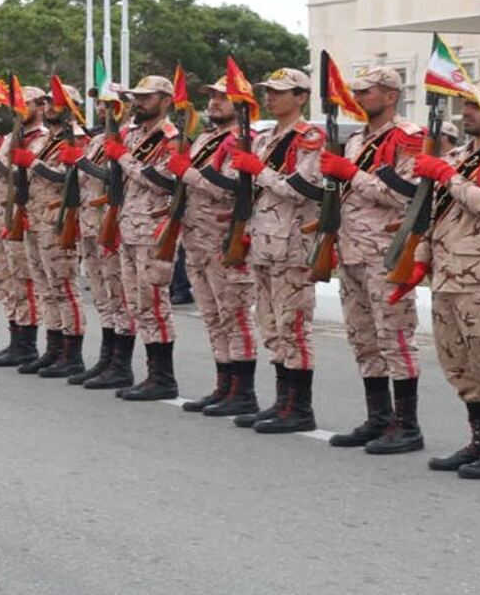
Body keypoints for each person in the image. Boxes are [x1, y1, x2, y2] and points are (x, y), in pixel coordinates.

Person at [393, 78, 480, 478]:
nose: (467, 111)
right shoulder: (457, 155)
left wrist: (444, 174)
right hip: (448, 275)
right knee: (459, 363)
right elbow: (437, 216)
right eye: (466, 104)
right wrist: (420, 261)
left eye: (479, 105)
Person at [316, 67, 425, 454]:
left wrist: (351, 173)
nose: (358, 97)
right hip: (351, 250)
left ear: (391, 95)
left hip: (385, 253)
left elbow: (409, 195)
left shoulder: (409, 138)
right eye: (357, 91)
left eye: (367, 91)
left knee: (395, 338)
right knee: (363, 338)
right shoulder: (358, 138)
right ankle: (379, 418)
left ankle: (407, 425)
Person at [226, 68, 326, 434]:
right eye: (268, 91)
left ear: (301, 97)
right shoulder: (266, 136)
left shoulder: (310, 137)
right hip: (264, 243)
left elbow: (303, 187)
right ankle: (282, 401)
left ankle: (300, 407)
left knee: (294, 325)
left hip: (293, 245)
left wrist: (259, 171)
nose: (271, 97)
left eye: (280, 92)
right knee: (270, 323)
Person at [173, 77, 259, 416]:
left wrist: (187, 173)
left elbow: (232, 188)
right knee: (212, 316)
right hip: (196, 239)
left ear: (241, 104)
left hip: (226, 239)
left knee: (235, 316)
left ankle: (243, 392)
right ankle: (224, 386)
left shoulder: (242, 140)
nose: (214, 103)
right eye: (211, 97)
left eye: (222, 98)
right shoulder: (207, 139)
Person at [104, 76, 182, 400]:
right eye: (137, 97)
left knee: (155, 303)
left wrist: (122, 157)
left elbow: (163, 181)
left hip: (153, 230)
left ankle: (163, 378)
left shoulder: (171, 137)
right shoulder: (131, 134)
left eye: (147, 97)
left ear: (165, 100)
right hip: (128, 228)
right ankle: (150, 374)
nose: (139, 102)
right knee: (138, 304)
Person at [67, 95, 136, 389]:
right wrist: (76, 161)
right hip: (90, 223)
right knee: (102, 294)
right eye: (101, 105)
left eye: (110, 104)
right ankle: (106, 360)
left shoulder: (130, 137)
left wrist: (82, 161)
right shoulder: (97, 141)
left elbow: (115, 178)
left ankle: (121, 365)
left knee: (120, 296)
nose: (102, 109)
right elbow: (84, 180)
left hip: (115, 226)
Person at [24, 83, 89, 378]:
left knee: (64, 288)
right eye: (47, 103)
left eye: (56, 103)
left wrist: (34, 164)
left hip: (58, 222)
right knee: (45, 289)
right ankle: (53, 349)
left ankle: (71, 353)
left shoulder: (77, 140)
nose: (49, 107)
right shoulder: (42, 141)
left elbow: (70, 180)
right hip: (35, 219)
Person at [0, 85, 47, 369]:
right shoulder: (13, 137)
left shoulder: (40, 138)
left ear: (39, 106)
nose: (19, 109)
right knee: (4, 280)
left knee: (23, 280)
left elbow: (23, 177)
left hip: (23, 215)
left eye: (25, 103)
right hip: (1, 216)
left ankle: (27, 344)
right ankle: (15, 338)